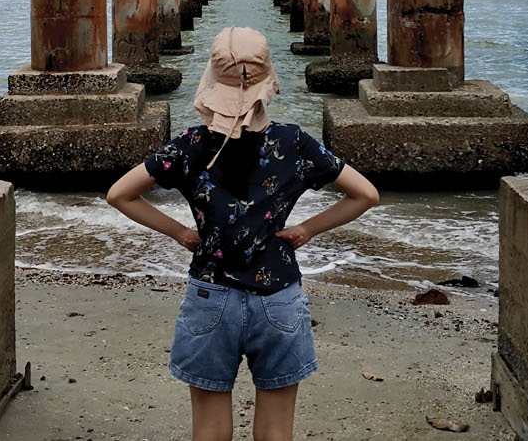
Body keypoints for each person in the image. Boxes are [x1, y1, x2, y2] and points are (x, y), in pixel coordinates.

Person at [106, 26, 380, 441]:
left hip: (209, 295)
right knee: (275, 432)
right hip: (279, 297)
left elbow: (119, 195)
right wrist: (306, 228)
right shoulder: (294, 143)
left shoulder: (189, 145)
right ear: (268, 80)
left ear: (212, 83)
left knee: (211, 431)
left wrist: (180, 232)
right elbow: (366, 195)